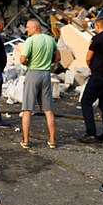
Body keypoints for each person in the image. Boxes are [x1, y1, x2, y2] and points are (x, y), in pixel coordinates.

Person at [20, 18, 60, 149]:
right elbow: (58, 57)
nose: (26, 29)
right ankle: (52, 140)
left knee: (27, 109)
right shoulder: (51, 39)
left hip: (33, 73)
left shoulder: (30, 41)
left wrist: (28, 62)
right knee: (48, 109)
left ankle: (26, 140)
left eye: (28, 27)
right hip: (46, 74)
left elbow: (22, 59)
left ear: (35, 27)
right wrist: (49, 62)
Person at [79, 17, 103, 143]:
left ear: (97, 26)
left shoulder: (96, 39)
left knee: (86, 101)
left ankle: (91, 133)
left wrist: (91, 67)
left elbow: (88, 57)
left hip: (98, 75)